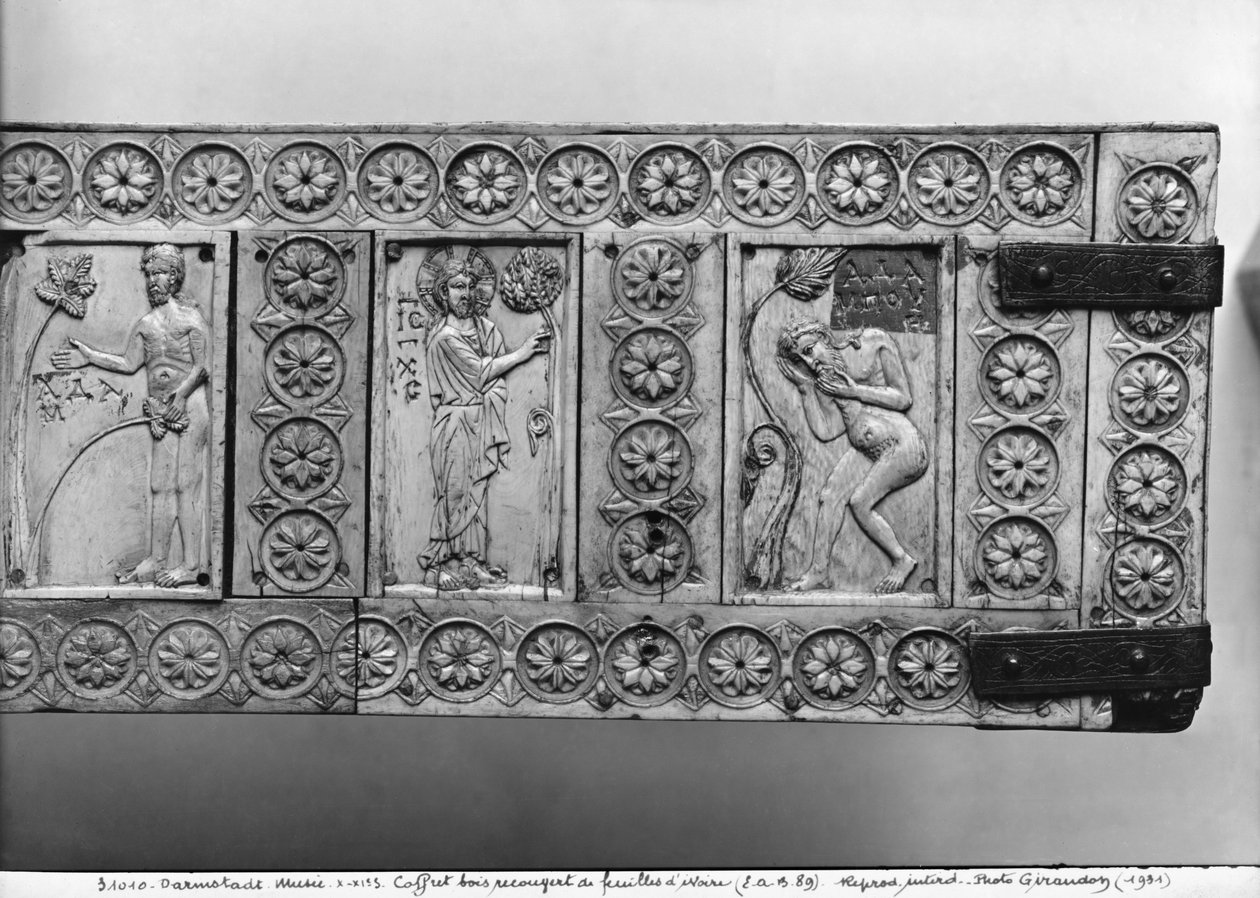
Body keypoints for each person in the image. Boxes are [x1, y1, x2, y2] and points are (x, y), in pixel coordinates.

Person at [50, 243, 210, 588]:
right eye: (149, 274)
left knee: (186, 485)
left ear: (174, 276)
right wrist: (90, 357)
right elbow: (128, 363)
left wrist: (182, 396)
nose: (153, 281)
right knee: (160, 485)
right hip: (160, 409)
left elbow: (202, 367)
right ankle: (157, 559)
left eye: (160, 273)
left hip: (190, 406)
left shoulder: (191, 319)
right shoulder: (146, 324)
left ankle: (191, 566)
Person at [418, 259, 550, 589]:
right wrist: (521, 353)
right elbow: (480, 372)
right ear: (443, 293)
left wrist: (491, 389)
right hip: (454, 424)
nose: (465, 294)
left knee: (477, 495)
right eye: (457, 287)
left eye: (469, 287)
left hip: (481, 420)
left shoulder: (487, 330)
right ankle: (437, 564)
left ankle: (471, 562)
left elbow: (494, 381)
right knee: (453, 494)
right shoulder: (443, 338)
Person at [775, 316, 928, 594]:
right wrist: (806, 389)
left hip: (902, 446)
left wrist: (855, 391)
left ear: (824, 337)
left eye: (809, 350)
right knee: (830, 496)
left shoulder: (871, 344)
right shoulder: (824, 379)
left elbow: (904, 398)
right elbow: (827, 431)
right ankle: (819, 572)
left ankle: (902, 560)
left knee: (860, 502)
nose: (809, 362)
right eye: (800, 359)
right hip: (868, 452)